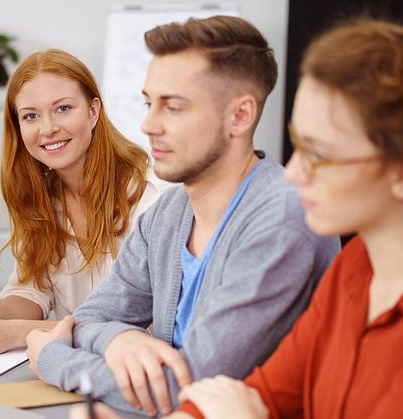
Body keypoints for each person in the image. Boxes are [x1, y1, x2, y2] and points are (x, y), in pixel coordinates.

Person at [166, 8, 403, 419]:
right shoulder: (357, 265)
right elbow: (265, 393)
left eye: (320, 155)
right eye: (298, 145)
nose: (292, 174)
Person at [26, 15, 340, 418]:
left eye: (172, 107)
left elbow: (185, 389)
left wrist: (53, 359)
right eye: (148, 102)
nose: (148, 125)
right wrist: (120, 340)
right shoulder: (169, 213)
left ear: (240, 117)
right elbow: (88, 318)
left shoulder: (281, 219)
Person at [0, 49, 166, 357]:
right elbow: (33, 289)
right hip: (71, 367)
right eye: (31, 116)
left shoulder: (152, 195)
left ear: (93, 111)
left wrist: (14, 333)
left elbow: (137, 327)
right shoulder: (41, 196)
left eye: (63, 109)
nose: (47, 128)